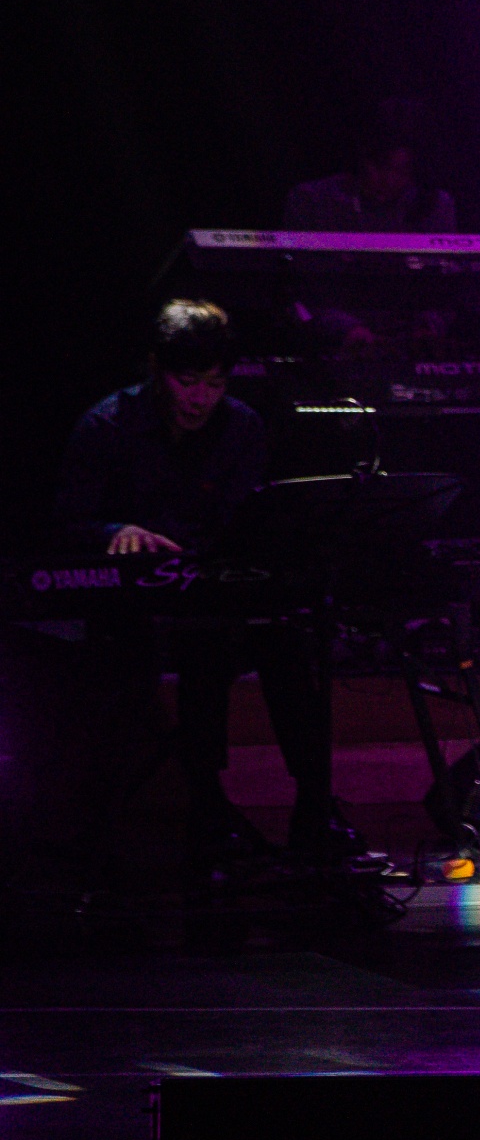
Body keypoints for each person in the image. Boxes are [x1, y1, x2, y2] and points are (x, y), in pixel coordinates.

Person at [54, 300, 351, 867]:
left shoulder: (241, 425)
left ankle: (315, 805)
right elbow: (67, 521)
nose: (200, 398)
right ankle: (206, 805)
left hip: (220, 591)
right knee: (201, 653)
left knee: (288, 646)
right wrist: (117, 531)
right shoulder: (106, 425)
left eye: (214, 384)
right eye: (187, 382)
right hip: (138, 608)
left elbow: (249, 518)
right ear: (157, 369)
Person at [283, 96, 455, 232]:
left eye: (401, 171)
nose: (388, 181)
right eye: (380, 167)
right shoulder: (312, 201)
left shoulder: (435, 206)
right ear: (362, 155)